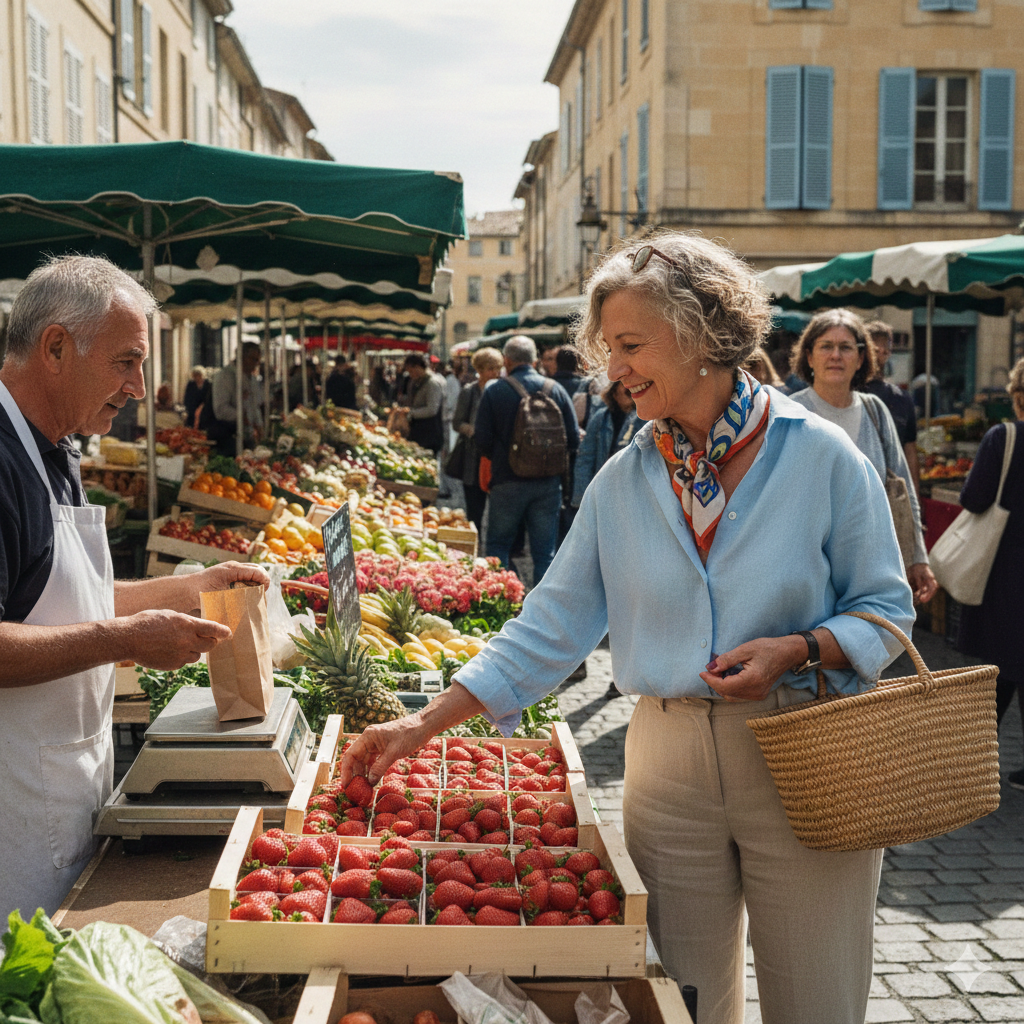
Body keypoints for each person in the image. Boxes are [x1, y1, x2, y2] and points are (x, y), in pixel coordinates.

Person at [340, 234, 914, 1024]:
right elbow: (548, 626)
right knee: (678, 1000)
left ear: (704, 335)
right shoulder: (627, 478)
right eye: (609, 348)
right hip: (668, 766)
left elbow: (887, 610)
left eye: (633, 346)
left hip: (807, 748)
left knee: (817, 996)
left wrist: (799, 648)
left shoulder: (821, 457)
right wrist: (422, 724)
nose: (616, 369)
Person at [0, 254, 270, 919]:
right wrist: (127, 639)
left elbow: (60, 598)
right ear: (56, 347)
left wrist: (189, 587)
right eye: (126, 362)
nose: (141, 387)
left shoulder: (53, 444)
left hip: (60, 792)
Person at [788, 309, 938, 606]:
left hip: (871, 569)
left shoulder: (876, 411)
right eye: (826, 346)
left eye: (846, 347)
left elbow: (904, 489)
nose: (836, 355)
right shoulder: (790, 414)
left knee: (869, 648)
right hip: (805, 572)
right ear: (809, 357)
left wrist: (918, 557)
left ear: (860, 358)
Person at [956, 357, 1024, 788]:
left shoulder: (1004, 437)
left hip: (1008, 572)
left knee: (999, 669)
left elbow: (975, 499)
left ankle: (975, 767)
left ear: (1017, 397)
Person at [473, 335, 579, 586]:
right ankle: (542, 614)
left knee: (498, 544)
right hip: (548, 484)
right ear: (534, 361)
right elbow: (573, 440)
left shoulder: (495, 391)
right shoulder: (555, 390)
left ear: (506, 361)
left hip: (506, 481)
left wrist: (503, 456)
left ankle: (497, 600)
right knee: (544, 553)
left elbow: (482, 441)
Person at [863, 320, 920, 495]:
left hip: (891, 494)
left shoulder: (902, 398)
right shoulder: (846, 393)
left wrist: (915, 496)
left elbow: (909, 450)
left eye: (885, 348)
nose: (881, 352)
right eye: (875, 348)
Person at [450, 347, 504, 534]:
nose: (495, 373)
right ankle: (476, 541)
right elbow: (457, 422)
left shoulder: (502, 390)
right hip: (472, 460)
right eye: (491, 369)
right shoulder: (469, 392)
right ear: (479, 370)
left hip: (496, 458)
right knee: (475, 509)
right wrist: (474, 431)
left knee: (498, 510)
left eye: (498, 368)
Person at [200, 342, 263, 457]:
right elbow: (221, 410)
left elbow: (255, 406)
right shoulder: (224, 376)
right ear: (242, 357)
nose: (256, 364)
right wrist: (241, 416)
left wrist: (259, 427)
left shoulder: (252, 380)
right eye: (253, 359)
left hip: (246, 437)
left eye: (257, 360)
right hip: (225, 438)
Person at [395, 353, 445, 454]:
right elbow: (411, 400)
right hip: (416, 431)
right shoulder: (413, 382)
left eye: (411, 371)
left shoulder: (432, 383)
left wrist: (411, 413)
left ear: (418, 367)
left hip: (430, 433)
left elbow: (432, 409)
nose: (410, 374)